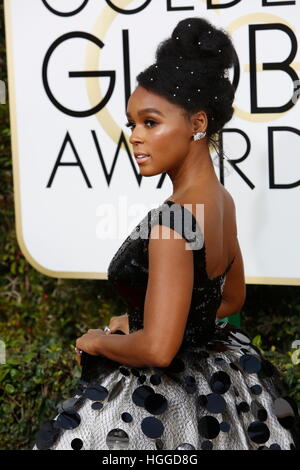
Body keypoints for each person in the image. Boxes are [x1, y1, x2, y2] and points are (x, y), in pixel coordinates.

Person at [32, 17, 300, 451]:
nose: (134, 137)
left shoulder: (172, 223)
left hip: (159, 403)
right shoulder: (221, 201)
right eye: (133, 123)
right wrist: (143, 318)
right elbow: (230, 299)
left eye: (150, 123)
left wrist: (100, 339)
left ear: (197, 122)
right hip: (220, 391)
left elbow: (158, 350)